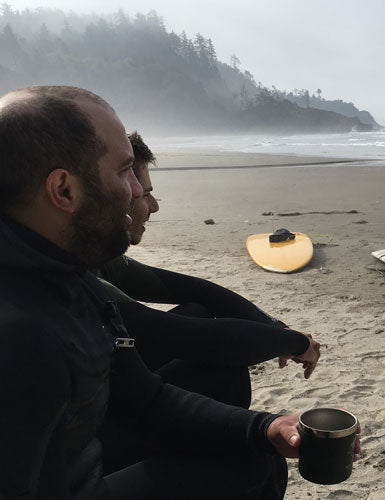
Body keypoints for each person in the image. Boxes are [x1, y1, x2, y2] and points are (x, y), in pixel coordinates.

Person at [0, 85, 356, 500]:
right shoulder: (21, 333)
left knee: (250, 450)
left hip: (82, 457)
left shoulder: (67, 275)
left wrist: (266, 428)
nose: (139, 194)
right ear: (63, 190)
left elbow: (145, 401)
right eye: (124, 171)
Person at [96, 133, 322, 472]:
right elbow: (182, 336)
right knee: (256, 464)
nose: (153, 205)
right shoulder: (69, 277)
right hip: (78, 454)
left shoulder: (92, 257)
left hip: (98, 404)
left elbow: (199, 292)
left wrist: (278, 329)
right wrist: (295, 342)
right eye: (144, 192)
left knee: (198, 314)